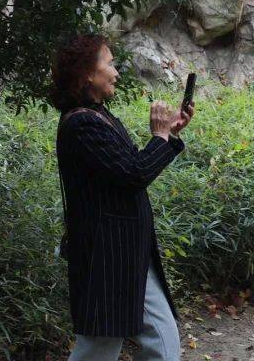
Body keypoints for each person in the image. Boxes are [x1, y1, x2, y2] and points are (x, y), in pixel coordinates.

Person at [52, 34, 193, 360]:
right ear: (87, 73)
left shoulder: (98, 116)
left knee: (161, 338)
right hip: (107, 256)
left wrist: (168, 135)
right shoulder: (82, 123)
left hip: (127, 252)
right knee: (101, 346)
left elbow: (132, 168)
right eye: (109, 63)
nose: (116, 71)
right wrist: (160, 136)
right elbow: (134, 175)